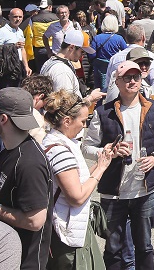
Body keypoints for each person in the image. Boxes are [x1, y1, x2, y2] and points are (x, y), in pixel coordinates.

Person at [83, 61, 154, 270]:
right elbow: (87, 147)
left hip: (145, 189)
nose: (132, 81)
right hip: (113, 192)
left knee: (144, 246)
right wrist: (107, 151)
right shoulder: (103, 112)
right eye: (126, 77)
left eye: (136, 77)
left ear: (141, 80)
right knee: (113, 247)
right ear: (117, 80)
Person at [0, 87, 54, 270]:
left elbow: (36, 221)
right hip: (7, 254)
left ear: (3, 119)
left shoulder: (29, 163)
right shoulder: (10, 150)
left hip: (26, 262)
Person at [41, 90, 112, 270]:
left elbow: (76, 179)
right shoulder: (60, 151)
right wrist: (101, 168)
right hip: (66, 234)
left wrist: (102, 160)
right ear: (67, 121)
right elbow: (77, 196)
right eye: (82, 121)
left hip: (69, 228)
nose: (84, 125)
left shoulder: (58, 143)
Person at [41, 28, 102, 100]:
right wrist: (91, 98)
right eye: (82, 52)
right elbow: (66, 104)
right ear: (72, 47)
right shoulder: (62, 71)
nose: (83, 56)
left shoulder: (50, 62)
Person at [0, 8, 29, 96]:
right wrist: (13, 47)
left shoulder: (20, 31)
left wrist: (26, 66)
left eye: (20, 17)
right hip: (7, 68)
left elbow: (22, 49)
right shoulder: (2, 32)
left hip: (18, 66)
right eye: (15, 17)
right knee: (7, 93)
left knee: (18, 92)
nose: (18, 19)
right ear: (9, 17)